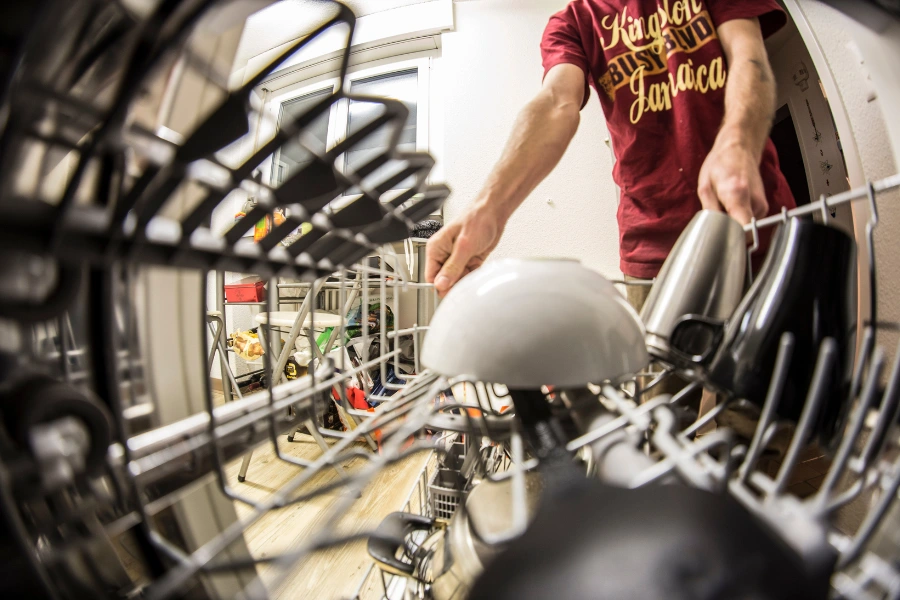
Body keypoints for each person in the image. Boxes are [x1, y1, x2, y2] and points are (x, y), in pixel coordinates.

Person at [425, 0, 796, 304]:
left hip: (753, 219)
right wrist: (488, 209)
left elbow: (749, 56)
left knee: (780, 369)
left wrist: (736, 142)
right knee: (661, 375)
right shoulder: (573, 22)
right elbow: (556, 103)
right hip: (651, 249)